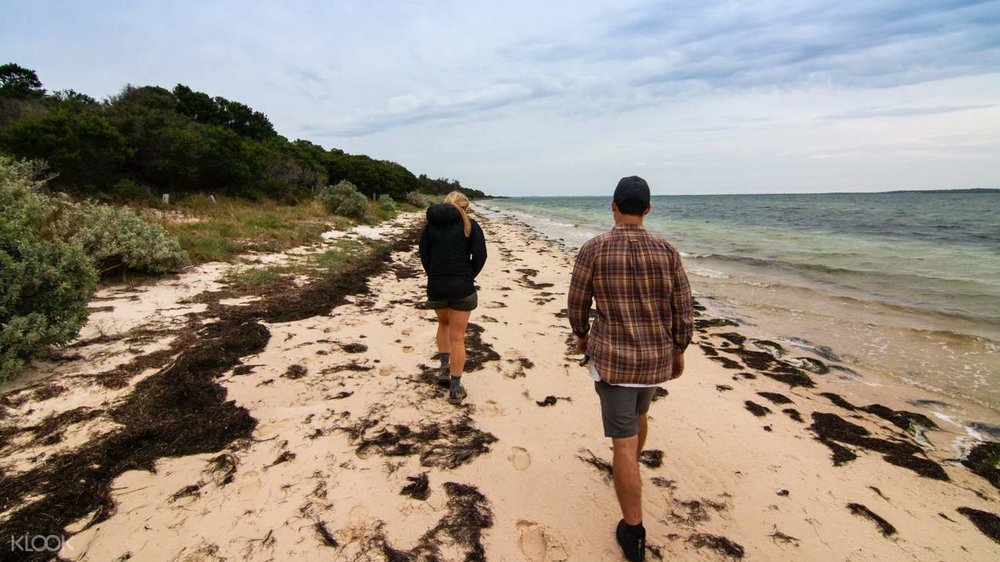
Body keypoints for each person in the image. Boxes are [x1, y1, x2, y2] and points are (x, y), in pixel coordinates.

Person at [567, 176, 693, 561]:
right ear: (648, 209)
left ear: (613, 206)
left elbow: (577, 302)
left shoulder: (594, 248)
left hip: (615, 361)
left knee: (623, 442)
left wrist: (582, 335)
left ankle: (634, 530)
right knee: (640, 417)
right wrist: (679, 350)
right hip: (653, 360)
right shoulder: (667, 250)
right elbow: (683, 309)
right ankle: (630, 472)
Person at [418, 191, 488, 405]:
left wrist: (434, 275)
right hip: (462, 288)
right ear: (464, 207)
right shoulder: (470, 225)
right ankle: (455, 389)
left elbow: (424, 254)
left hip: (437, 286)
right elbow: (481, 255)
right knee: (458, 337)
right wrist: (468, 275)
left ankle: (443, 370)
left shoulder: (430, 225)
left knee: (443, 324)